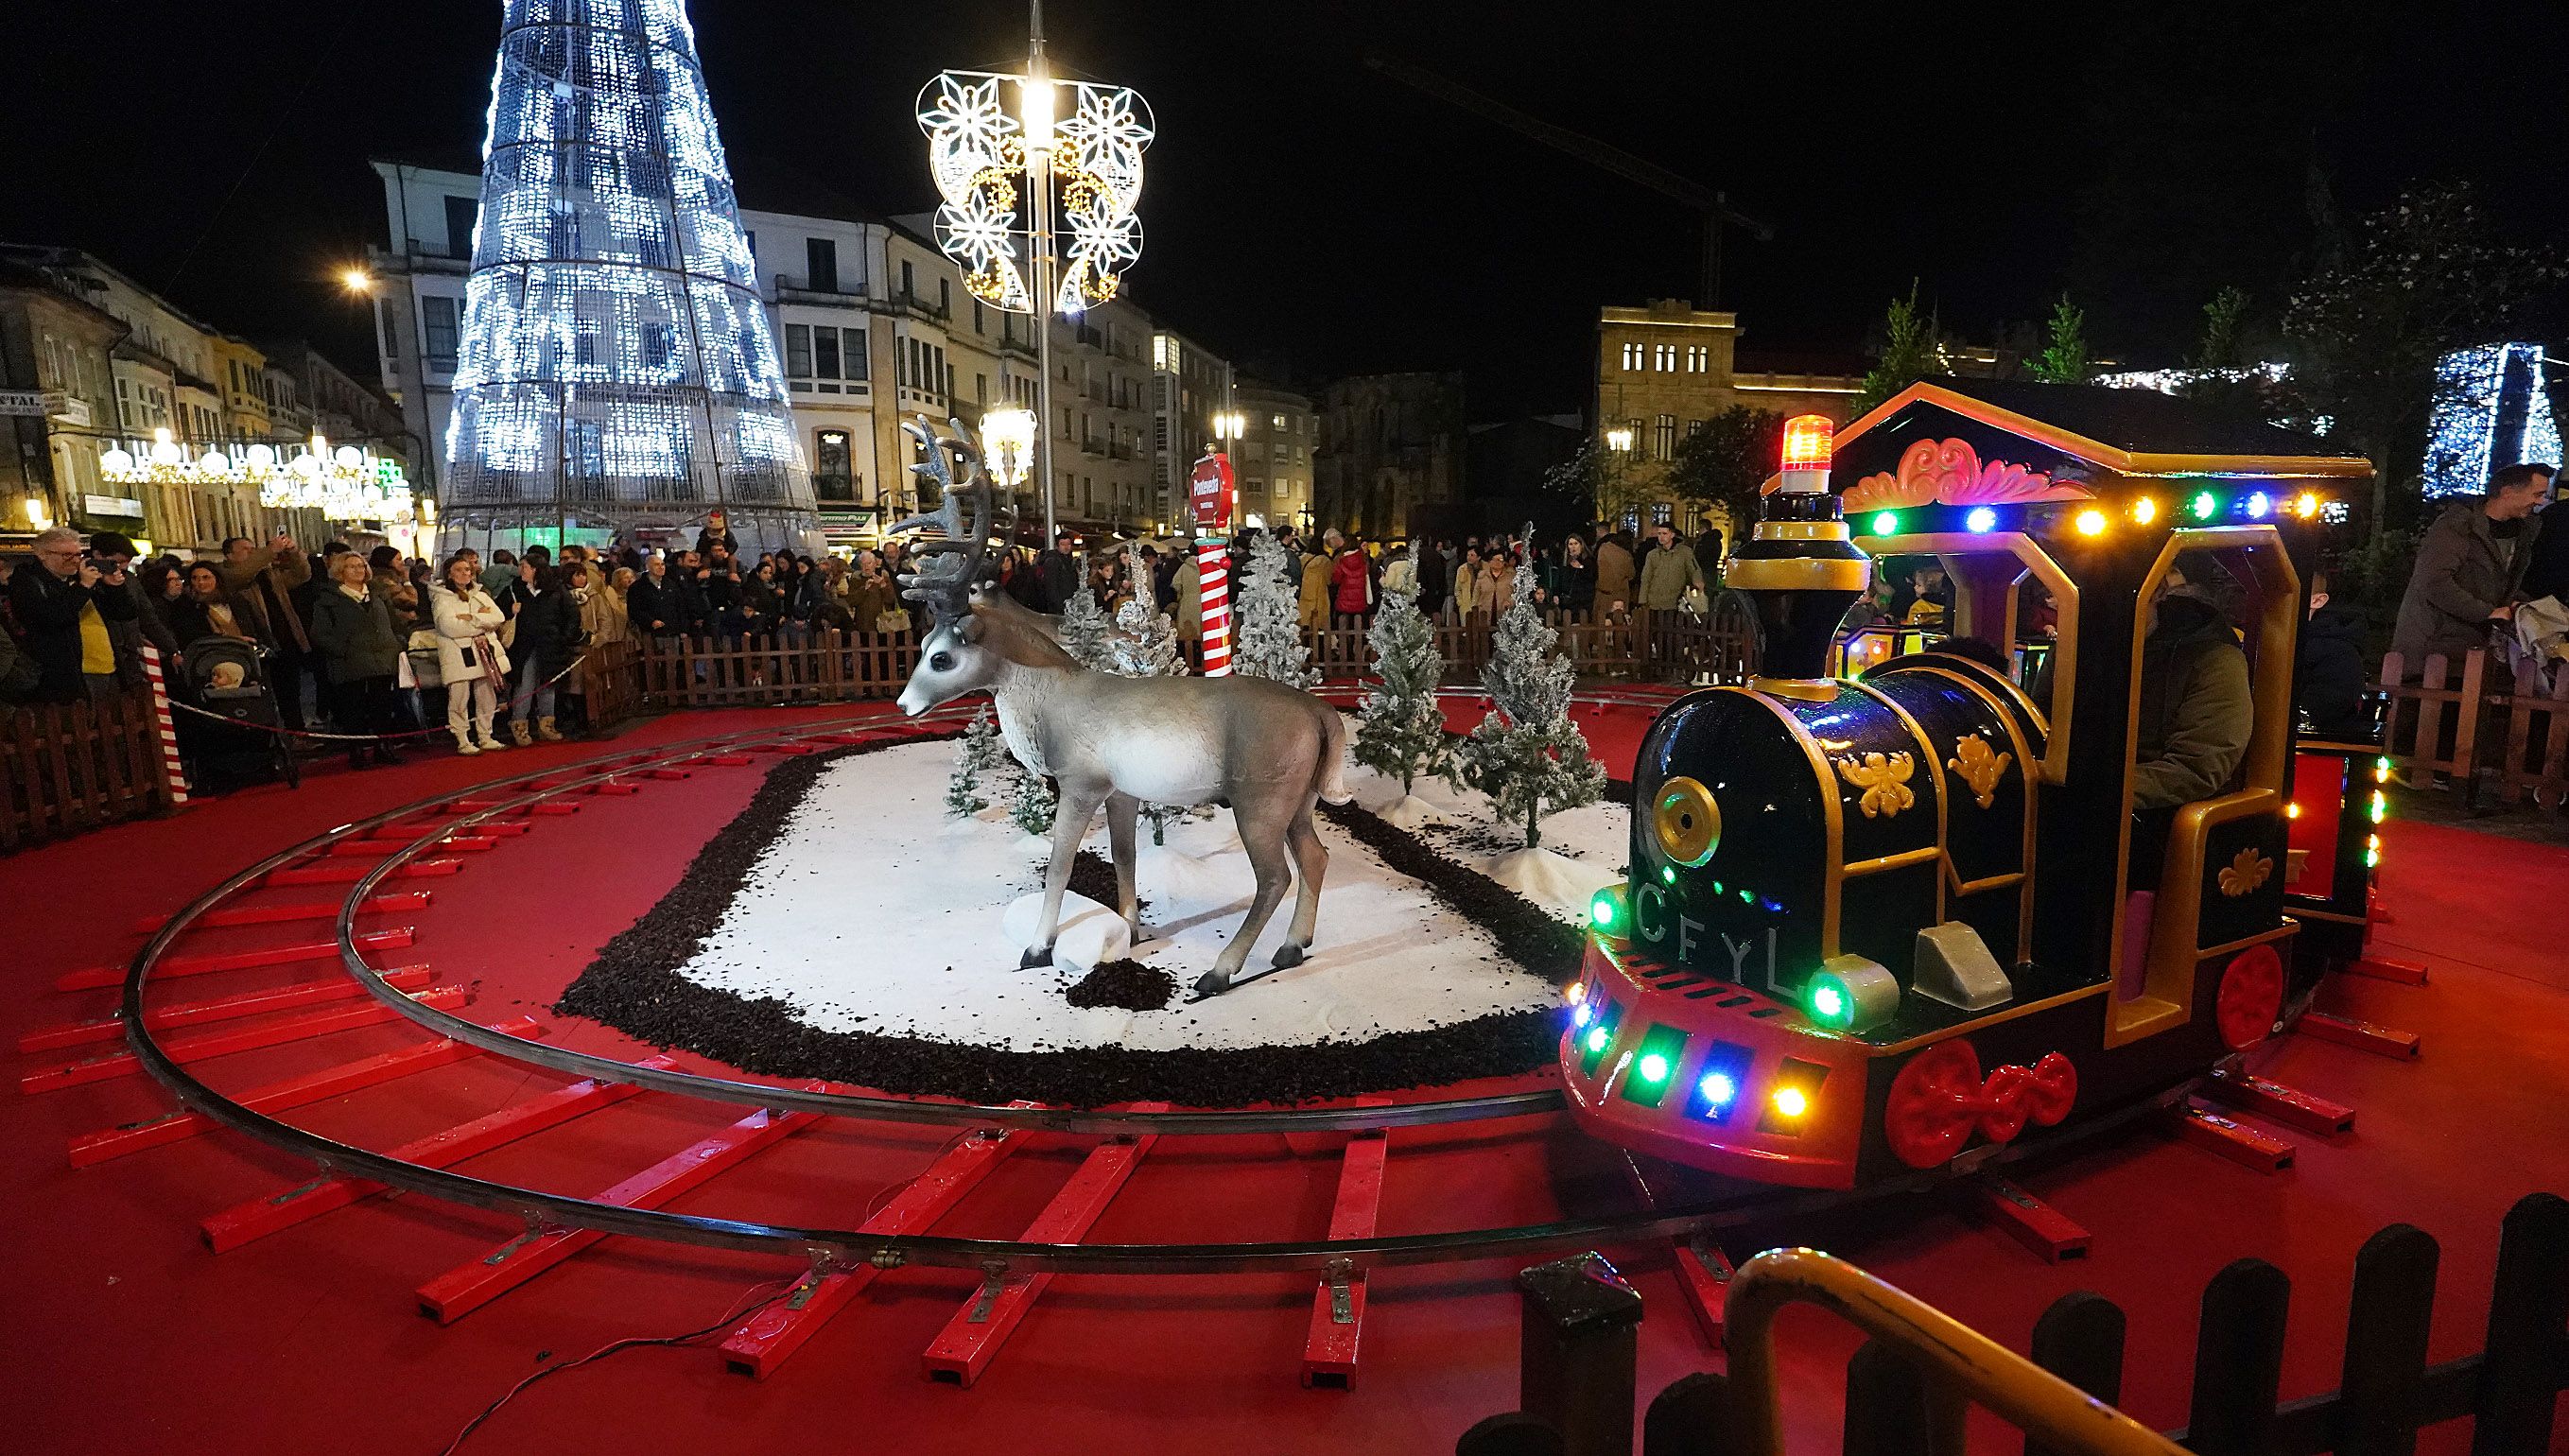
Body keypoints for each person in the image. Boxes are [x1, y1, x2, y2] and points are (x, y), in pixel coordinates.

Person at [2391, 462, 2550, 667]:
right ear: (2508, 492)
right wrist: (2487, 612)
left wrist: (2517, 605)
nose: (2541, 501)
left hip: (2473, 651)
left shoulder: (2522, 534)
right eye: (2537, 494)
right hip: (2432, 649)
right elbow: (2433, 581)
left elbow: (2495, 583)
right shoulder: (2457, 526)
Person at [10, 527, 134, 702]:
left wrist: (115, 588)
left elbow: (125, 613)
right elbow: (51, 617)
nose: (75, 561)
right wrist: (83, 587)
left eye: (78, 554)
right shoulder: (27, 582)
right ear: (42, 554)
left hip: (106, 668)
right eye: (67, 555)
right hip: (63, 678)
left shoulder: (81, 578)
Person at [308, 551, 408, 769]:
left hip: (382, 659)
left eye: (361, 566)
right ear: (340, 571)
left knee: (382, 706)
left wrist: (397, 643)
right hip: (350, 662)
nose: (358, 570)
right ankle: (357, 751)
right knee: (353, 709)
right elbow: (320, 633)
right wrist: (342, 650)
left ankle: (383, 747)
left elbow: (394, 623)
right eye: (352, 567)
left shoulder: (377, 595)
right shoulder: (328, 600)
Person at [429, 552, 512, 754]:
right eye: (459, 570)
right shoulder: (443, 598)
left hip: (484, 654)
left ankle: (485, 735)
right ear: (449, 574)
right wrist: (482, 624)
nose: (465, 573)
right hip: (458, 655)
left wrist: (470, 618)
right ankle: (462, 738)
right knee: (459, 698)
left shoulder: (481, 595)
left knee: (486, 695)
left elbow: (498, 617)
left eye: (467, 569)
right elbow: (449, 626)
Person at [2293, 571, 2371, 740]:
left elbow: (2320, 709)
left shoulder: (2340, 653)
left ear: (2317, 600)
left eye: (2287, 590)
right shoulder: (2262, 639)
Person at [508, 560, 579, 744]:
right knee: (525, 684)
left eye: (524, 566)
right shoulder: (517, 590)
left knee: (548, 685)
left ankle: (547, 724)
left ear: (535, 569)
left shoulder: (556, 590)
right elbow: (500, 609)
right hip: (525, 645)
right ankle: (519, 725)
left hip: (551, 644)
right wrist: (510, 611)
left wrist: (564, 637)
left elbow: (572, 614)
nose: (520, 570)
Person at [166, 562, 269, 648]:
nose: (201, 582)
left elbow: (259, 627)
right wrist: (230, 640)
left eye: (206, 577)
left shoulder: (236, 601)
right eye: (195, 578)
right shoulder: (186, 606)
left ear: (217, 579)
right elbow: (190, 635)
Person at [1636, 522, 1705, 613]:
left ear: (1672, 535)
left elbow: (1694, 570)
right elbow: (1646, 578)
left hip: (1675, 602)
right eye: (1659, 534)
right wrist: (1643, 601)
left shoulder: (1685, 553)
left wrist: (1697, 582)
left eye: (1664, 534)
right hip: (1654, 602)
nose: (1661, 537)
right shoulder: (1652, 554)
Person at [627, 551, 682, 640]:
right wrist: (650, 622)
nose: (661, 567)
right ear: (648, 567)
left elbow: (680, 606)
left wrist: (682, 628)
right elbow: (634, 610)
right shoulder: (637, 587)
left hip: (672, 631)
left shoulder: (671, 584)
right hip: (650, 633)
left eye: (662, 564)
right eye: (657, 564)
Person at [1549, 534, 1597, 619]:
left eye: (1576, 543)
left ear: (1581, 545)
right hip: (1566, 602)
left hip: (1583, 603)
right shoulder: (1564, 562)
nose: (1573, 546)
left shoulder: (1589, 561)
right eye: (1570, 544)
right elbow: (1559, 579)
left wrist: (1581, 567)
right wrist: (1556, 594)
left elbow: (1592, 577)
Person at [1332, 533, 1374, 626]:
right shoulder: (1363, 559)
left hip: (1344, 600)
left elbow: (1336, 580)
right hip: (1360, 600)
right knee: (1359, 626)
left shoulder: (1341, 560)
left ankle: (1346, 640)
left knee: (1344, 627)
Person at [1037, 529, 1082, 613]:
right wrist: (1061, 607)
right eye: (1063, 544)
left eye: (1068, 544)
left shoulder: (1069, 561)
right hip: (1060, 608)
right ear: (1057, 546)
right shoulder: (1053, 561)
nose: (1066, 547)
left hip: (1068, 606)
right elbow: (1051, 588)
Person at [1594, 529, 1637, 618]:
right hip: (1620, 594)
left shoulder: (1603, 548)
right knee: (1618, 624)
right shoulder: (1626, 556)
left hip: (1602, 592)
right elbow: (1631, 574)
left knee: (1601, 622)